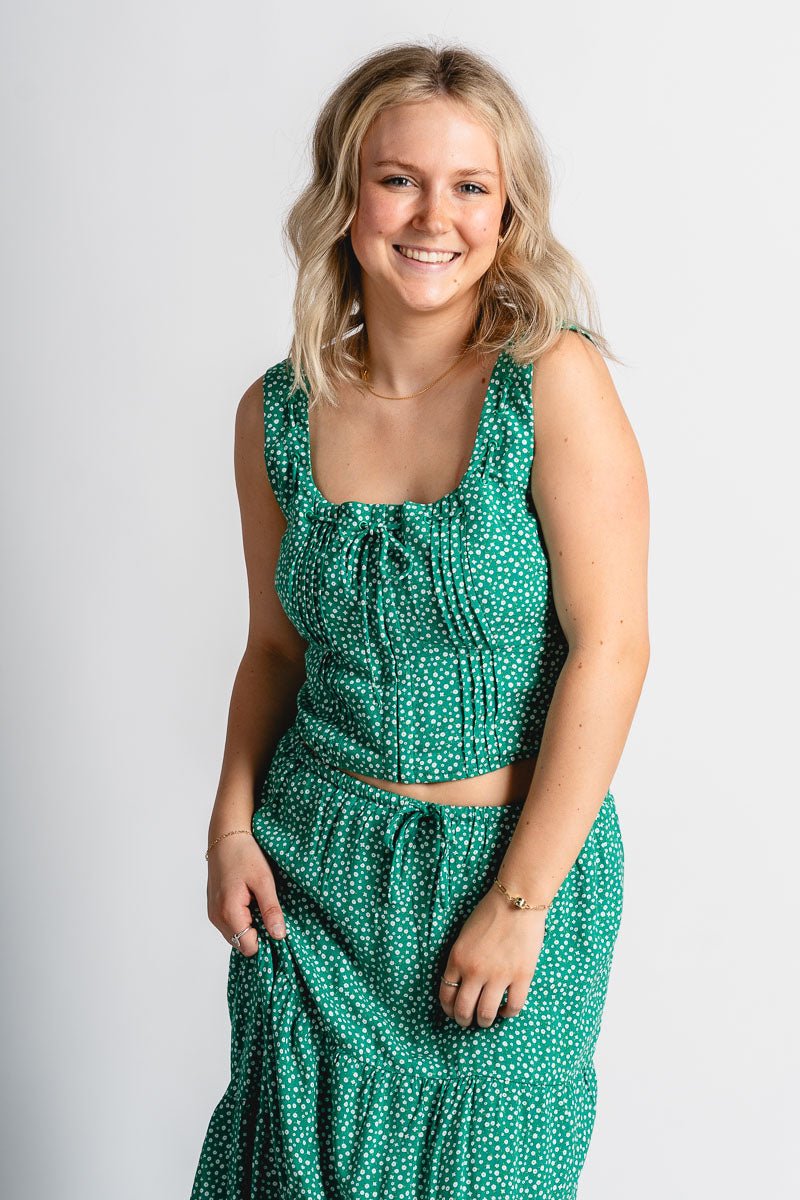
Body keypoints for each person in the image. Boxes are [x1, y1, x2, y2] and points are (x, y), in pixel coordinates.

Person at [190, 40, 650, 1200]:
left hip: (506, 873)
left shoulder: (549, 381)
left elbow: (610, 650)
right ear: (345, 199)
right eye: (398, 180)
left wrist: (518, 902)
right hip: (312, 880)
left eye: (469, 186)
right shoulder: (275, 414)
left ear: (507, 212)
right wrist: (230, 828)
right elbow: (273, 651)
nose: (432, 217)